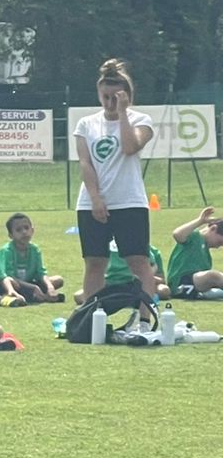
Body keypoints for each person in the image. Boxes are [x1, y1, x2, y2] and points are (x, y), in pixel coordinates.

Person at [73, 58, 158, 306]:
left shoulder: (141, 120)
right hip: (91, 203)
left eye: (115, 98)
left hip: (129, 201)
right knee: (94, 262)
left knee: (138, 261)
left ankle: (145, 318)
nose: (109, 103)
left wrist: (122, 114)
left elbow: (130, 147)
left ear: (127, 97)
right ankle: (91, 316)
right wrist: (96, 199)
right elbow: (85, 163)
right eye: (105, 97)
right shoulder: (86, 124)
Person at [0, 213, 64, 304]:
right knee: (11, 283)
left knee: (58, 280)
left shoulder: (35, 249)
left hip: (29, 282)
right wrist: (33, 287)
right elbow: (7, 276)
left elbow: (41, 272)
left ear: (32, 230)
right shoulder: (7, 251)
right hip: (15, 284)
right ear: (10, 235)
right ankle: (39, 296)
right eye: (18, 230)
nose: (24, 232)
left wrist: (50, 287)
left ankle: (40, 295)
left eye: (26, 228)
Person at [167, 207, 223, 298]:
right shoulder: (194, 237)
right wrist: (200, 221)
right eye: (220, 242)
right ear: (213, 229)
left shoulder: (206, 253)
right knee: (214, 276)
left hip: (195, 287)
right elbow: (177, 234)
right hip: (182, 283)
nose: (218, 247)